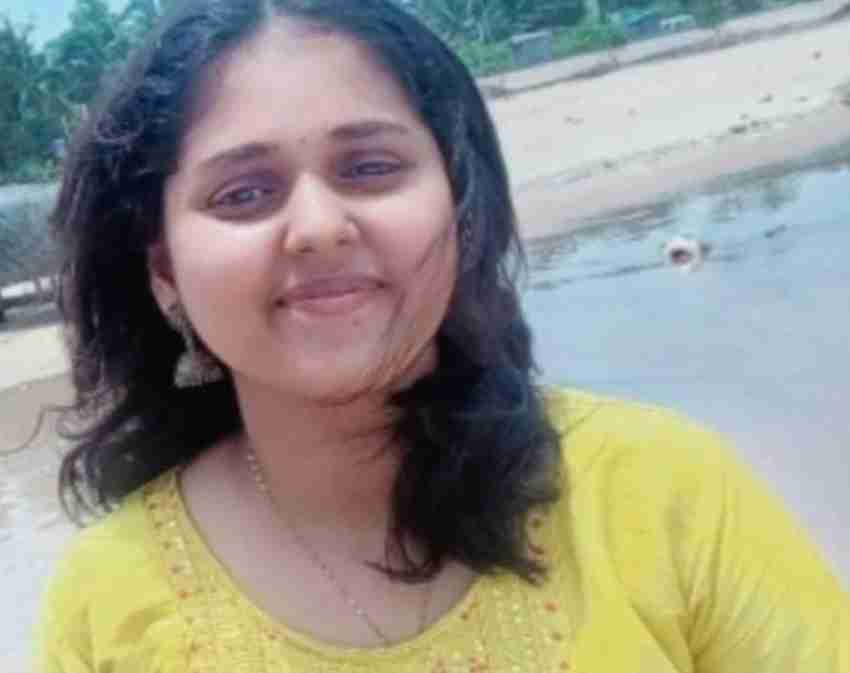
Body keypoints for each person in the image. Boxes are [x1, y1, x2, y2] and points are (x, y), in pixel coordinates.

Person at [34, 1, 850, 671]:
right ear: (164, 269)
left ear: (459, 208)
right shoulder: (107, 605)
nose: (318, 225)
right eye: (244, 193)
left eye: (370, 168)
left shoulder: (664, 491)